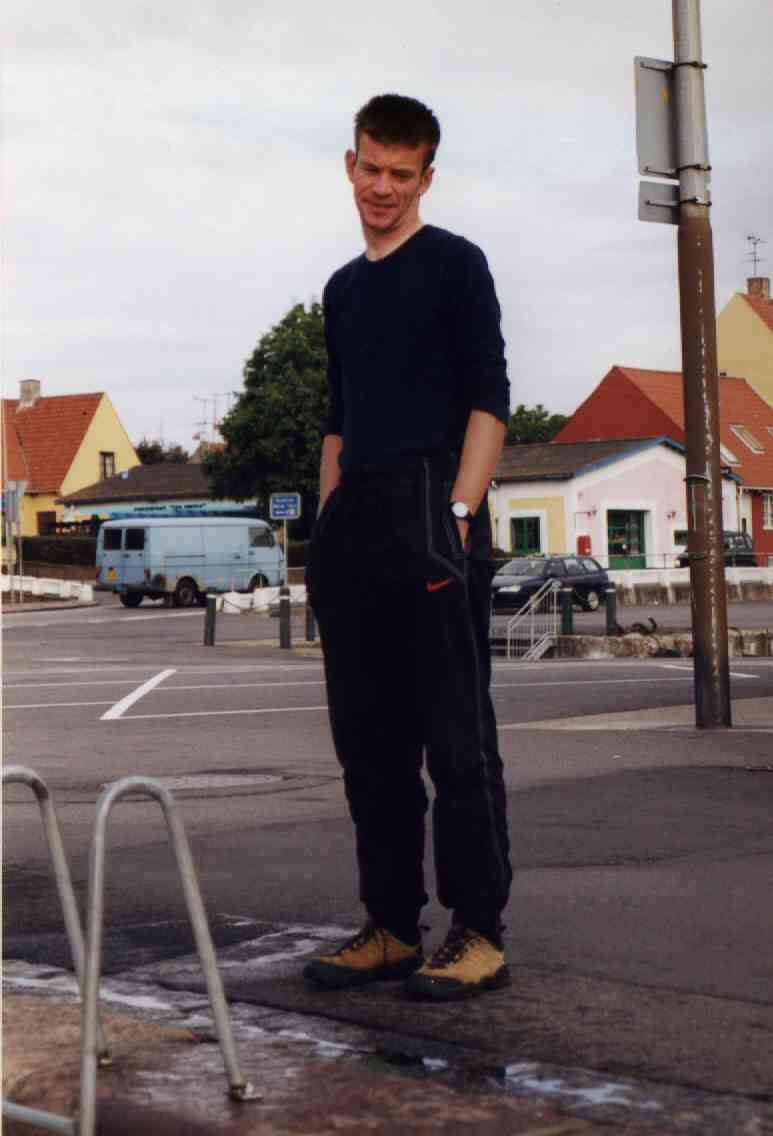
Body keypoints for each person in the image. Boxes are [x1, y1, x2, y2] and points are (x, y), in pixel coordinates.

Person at [303, 94, 512, 1001]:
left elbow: (490, 401)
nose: (381, 187)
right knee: (369, 744)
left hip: (434, 510)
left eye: (400, 173)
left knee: (456, 743)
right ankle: (390, 925)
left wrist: (458, 516)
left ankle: (478, 931)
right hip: (357, 521)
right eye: (370, 168)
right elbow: (338, 420)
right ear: (348, 165)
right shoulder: (342, 289)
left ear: (426, 176)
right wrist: (326, 527)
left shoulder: (456, 264)